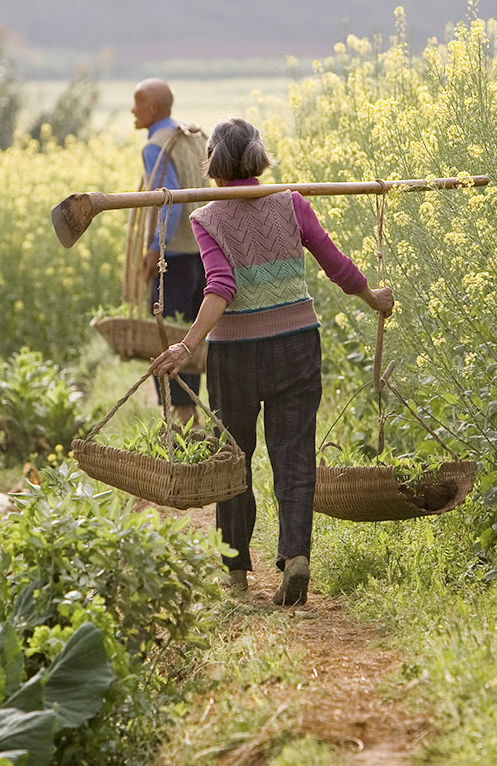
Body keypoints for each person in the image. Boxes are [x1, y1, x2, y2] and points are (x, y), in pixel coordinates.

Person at [149, 118, 394, 606]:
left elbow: (222, 286)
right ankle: (296, 556)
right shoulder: (291, 203)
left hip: (235, 354)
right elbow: (336, 264)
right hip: (297, 344)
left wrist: (187, 345)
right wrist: (374, 297)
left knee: (233, 458)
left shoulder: (207, 218)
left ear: (214, 163)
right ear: (257, 158)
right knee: (293, 455)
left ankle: (237, 570)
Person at [130, 78, 208, 424]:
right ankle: (192, 415)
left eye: (138, 103)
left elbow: (170, 202)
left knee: (170, 335)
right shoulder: (194, 137)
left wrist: (153, 249)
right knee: (191, 335)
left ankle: (182, 419)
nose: (133, 110)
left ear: (154, 109)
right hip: (203, 252)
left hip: (173, 258)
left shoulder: (156, 146)